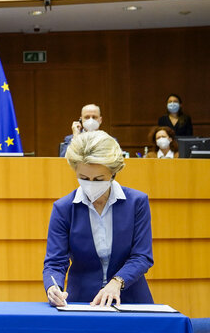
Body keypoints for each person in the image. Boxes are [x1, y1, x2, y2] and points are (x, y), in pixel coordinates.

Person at [44, 131, 154, 307]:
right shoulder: (63, 208)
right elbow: (55, 262)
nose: (90, 184)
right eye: (84, 178)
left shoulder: (137, 203)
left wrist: (117, 282)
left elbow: (142, 256)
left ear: (113, 173)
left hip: (131, 300)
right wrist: (52, 287)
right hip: (82, 302)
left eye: (99, 179)